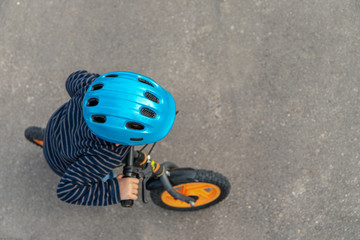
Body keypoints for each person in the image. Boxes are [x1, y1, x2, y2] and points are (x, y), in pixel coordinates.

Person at [25, 70, 176, 206]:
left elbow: (72, 78)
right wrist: (118, 190)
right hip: (60, 161)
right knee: (105, 177)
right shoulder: (105, 155)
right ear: (117, 141)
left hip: (57, 128)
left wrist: (102, 86)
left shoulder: (89, 87)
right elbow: (67, 190)